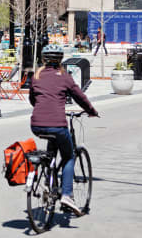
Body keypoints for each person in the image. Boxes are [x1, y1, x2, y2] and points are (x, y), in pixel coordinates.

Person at [30, 44, 99, 217]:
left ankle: (48, 182)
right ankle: (67, 195)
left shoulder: (36, 76)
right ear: (60, 59)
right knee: (69, 156)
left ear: (44, 59)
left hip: (36, 125)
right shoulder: (64, 76)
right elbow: (79, 96)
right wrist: (91, 111)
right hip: (58, 124)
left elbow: (33, 98)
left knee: (52, 149)